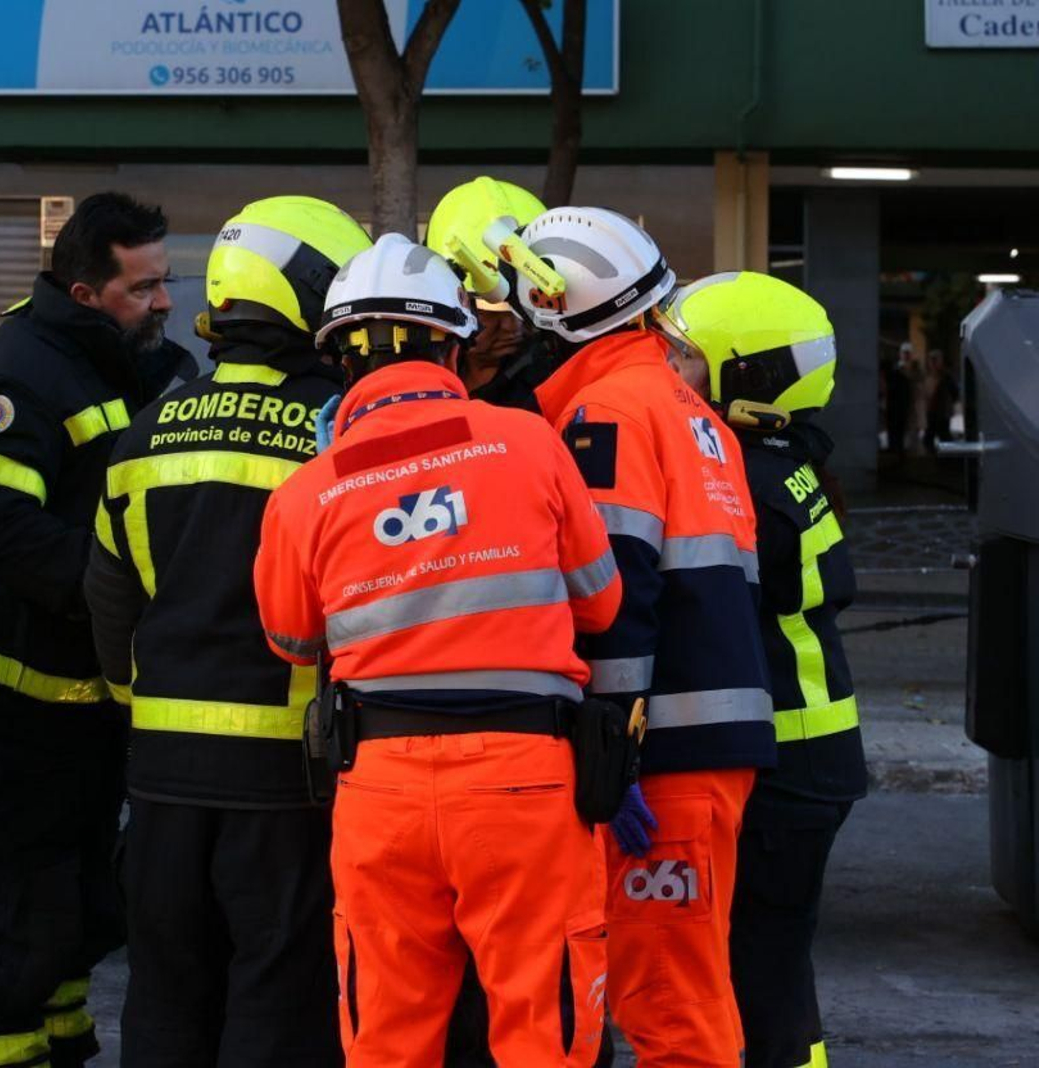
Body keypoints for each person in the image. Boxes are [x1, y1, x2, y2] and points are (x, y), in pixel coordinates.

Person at [254, 233, 623, 1066]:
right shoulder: (528, 442)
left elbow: (290, 639)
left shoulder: (306, 492)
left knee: (387, 1036)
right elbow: (602, 603)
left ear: (340, 361)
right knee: (546, 1031)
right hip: (526, 780)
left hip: (379, 787)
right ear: (454, 346)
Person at [83, 195, 370, 1068]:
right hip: (289, 781)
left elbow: (109, 599)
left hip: (162, 775)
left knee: (167, 998)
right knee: (278, 1004)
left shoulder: (147, 433)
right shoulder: (337, 438)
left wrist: (139, 702)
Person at [0, 192, 187, 1068]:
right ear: (84, 293)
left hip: (73, 705)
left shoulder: (119, 357)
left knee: (72, 910)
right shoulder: (21, 372)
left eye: (164, 282)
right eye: (143, 289)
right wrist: (113, 591)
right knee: (7, 925)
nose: (164, 302)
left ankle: (61, 1043)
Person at [523, 207, 776, 1067]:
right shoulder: (689, 410)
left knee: (665, 997)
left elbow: (615, 591)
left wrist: (612, 747)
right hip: (704, 739)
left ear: (554, 313)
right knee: (688, 986)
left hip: (663, 749)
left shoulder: (606, 413)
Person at [656, 272, 867, 1068]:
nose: (667, 368)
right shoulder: (781, 461)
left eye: (684, 356)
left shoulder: (741, 478)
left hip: (785, 765)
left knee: (761, 973)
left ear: (747, 377)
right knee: (774, 964)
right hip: (807, 758)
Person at [425, 175, 610, 1068]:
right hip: (420, 733)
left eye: (511, 307)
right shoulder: (414, 393)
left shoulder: (559, 400)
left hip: (538, 727)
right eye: (484, 306)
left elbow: (601, 588)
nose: (500, 324)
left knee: (539, 978)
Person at [424, 175, 561, 410]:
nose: (512, 326)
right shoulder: (421, 378)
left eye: (526, 305)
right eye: (492, 307)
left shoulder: (551, 386)